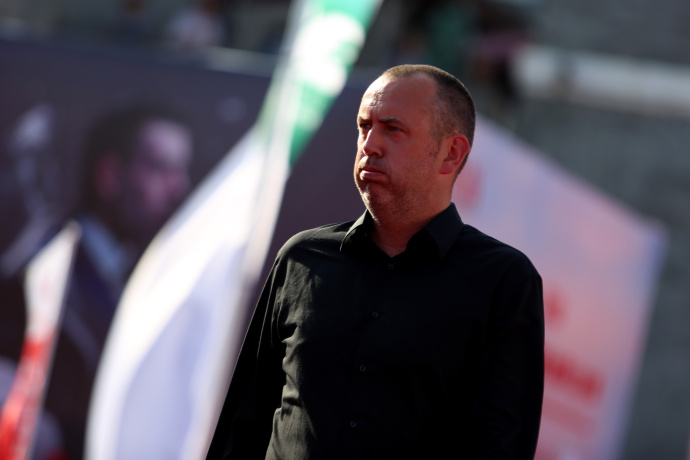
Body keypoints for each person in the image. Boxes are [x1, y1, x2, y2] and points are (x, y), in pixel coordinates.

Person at [208, 64, 544, 459]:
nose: (370, 145)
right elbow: (244, 421)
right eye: (364, 126)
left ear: (451, 154)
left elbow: (501, 444)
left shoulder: (503, 281)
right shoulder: (302, 259)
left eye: (393, 129)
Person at [44, 105, 194, 459]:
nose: (180, 187)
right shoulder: (46, 278)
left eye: (183, 170)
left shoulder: (143, 271)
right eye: (161, 168)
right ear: (109, 176)